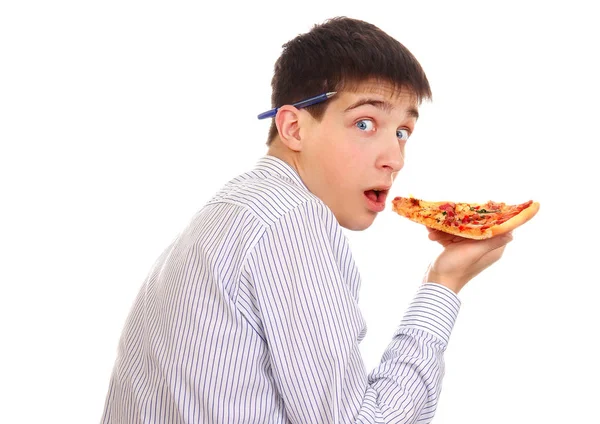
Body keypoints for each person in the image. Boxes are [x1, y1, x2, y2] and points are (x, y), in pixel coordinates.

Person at [100, 16, 513, 423]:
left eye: (403, 131)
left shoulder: (232, 210)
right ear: (294, 127)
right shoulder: (290, 219)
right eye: (365, 123)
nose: (395, 159)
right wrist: (443, 285)